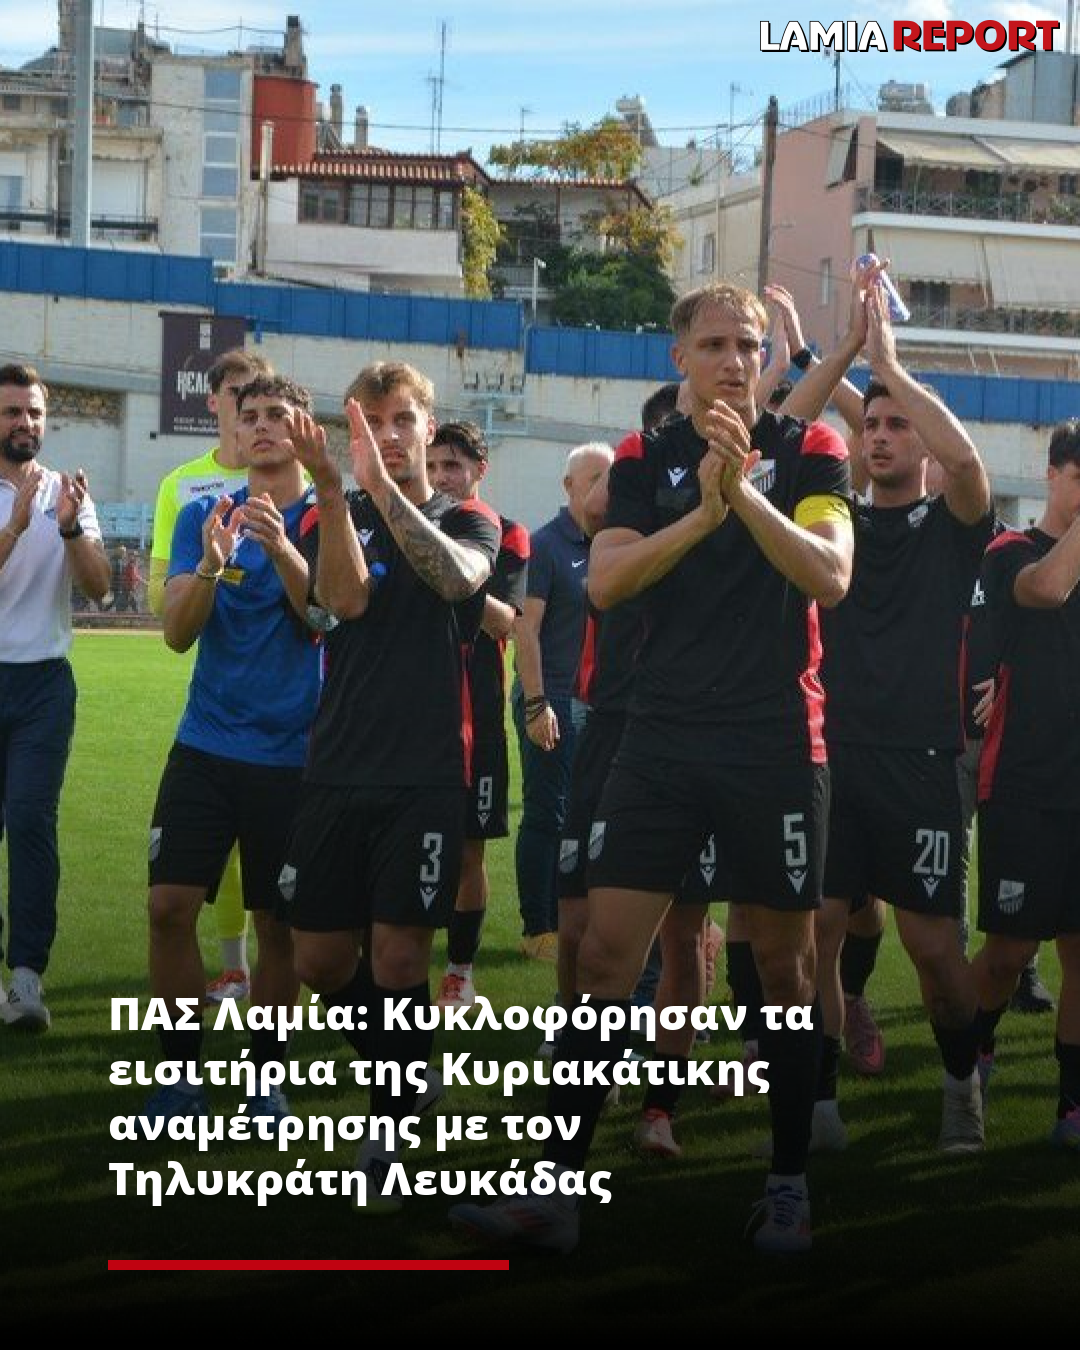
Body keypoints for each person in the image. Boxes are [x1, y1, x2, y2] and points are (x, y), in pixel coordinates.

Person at [450, 280, 855, 1255]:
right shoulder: (642, 457)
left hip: (773, 741)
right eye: (714, 344)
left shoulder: (811, 447)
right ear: (679, 359)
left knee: (787, 968)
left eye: (748, 344)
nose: (734, 360)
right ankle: (555, 1193)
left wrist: (741, 496)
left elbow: (831, 575)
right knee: (602, 958)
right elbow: (610, 579)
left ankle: (788, 1188)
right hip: (661, 740)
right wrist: (704, 515)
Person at [279, 361, 500, 1207]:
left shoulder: (468, 516)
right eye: (371, 422)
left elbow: (455, 579)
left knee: (402, 956)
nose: (389, 435)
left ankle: (389, 1134)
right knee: (320, 960)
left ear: (427, 425)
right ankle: (408, 1075)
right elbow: (342, 603)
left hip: (427, 771)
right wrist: (341, 495)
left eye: (402, 419)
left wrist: (381, 490)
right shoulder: (327, 508)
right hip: (338, 765)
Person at [816, 278, 995, 1156]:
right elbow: (777, 438)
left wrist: (890, 364)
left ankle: (961, 1083)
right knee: (813, 937)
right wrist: (845, 357)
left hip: (921, 763)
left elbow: (968, 468)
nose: (881, 435)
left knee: (934, 953)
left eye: (896, 425)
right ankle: (815, 1103)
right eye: (871, 425)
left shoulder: (950, 525)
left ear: (919, 437)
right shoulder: (834, 521)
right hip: (832, 758)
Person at [140, 374, 321, 1128]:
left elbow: (322, 618)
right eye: (251, 416)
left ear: (302, 429)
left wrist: (281, 547)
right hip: (206, 745)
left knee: (279, 927)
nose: (264, 426)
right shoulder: (202, 515)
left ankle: (264, 1081)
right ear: (237, 433)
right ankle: (182, 1078)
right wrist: (214, 562)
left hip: (293, 756)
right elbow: (177, 634)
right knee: (167, 908)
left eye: (279, 414)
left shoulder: (325, 515)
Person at [148, 346, 272, 1007]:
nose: (252, 412)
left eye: (264, 399)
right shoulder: (186, 488)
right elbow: (161, 602)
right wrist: (207, 578)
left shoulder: (308, 503)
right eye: (240, 398)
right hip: (209, 682)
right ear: (217, 401)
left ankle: (247, 978)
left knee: (282, 907)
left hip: (282, 719)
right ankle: (231, 965)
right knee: (187, 882)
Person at [970, 419, 1080, 1149]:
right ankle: (973, 1047)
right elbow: (1048, 588)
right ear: (1051, 474)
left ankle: (1071, 1106)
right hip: (1022, 781)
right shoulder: (1011, 550)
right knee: (1009, 951)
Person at [0, 363, 110, 1030]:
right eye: (13, 411)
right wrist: (15, 525)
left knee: (31, 820)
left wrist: (68, 528)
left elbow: (98, 587)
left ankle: (26, 978)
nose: (25, 423)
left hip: (44, 683)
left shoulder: (67, 491)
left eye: (35, 413)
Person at [426, 421, 529, 1009]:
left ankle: (460, 974)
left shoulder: (507, 534)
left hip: (479, 719)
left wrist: (449, 568)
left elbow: (505, 620)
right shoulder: (410, 523)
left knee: (469, 851)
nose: (441, 477)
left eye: (453, 466)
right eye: (433, 466)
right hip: (414, 717)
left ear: (479, 471)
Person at [512, 441, 613, 961]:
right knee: (546, 813)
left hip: (595, 704)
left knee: (586, 814)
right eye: (594, 479)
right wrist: (536, 702)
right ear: (569, 486)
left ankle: (574, 918)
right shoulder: (547, 544)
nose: (604, 489)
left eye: (610, 479)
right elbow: (525, 629)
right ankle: (538, 927)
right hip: (548, 696)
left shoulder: (613, 542)